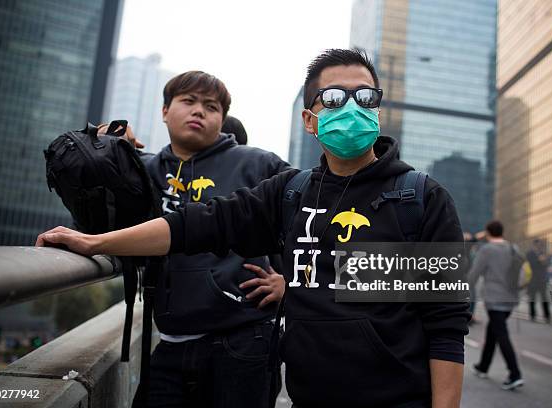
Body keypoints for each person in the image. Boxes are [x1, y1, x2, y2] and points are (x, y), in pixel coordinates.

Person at [38, 49, 470, 408]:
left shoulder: (419, 198)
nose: (352, 107)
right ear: (310, 119)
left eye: (365, 96)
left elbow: (445, 325)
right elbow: (194, 225)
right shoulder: (291, 193)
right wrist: (96, 241)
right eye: (335, 98)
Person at [102, 71, 290, 407]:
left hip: (244, 340)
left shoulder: (258, 164)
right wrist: (105, 145)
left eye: (211, 106)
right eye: (188, 101)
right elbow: (95, 216)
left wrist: (289, 283)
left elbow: (310, 222)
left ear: (222, 118)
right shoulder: (146, 171)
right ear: (164, 111)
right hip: (170, 342)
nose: (199, 111)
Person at [469, 220, 524, 390]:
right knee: (492, 332)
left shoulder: (486, 250)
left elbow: (473, 275)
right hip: (511, 299)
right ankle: (483, 367)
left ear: (488, 232)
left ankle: (515, 374)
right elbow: (521, 274)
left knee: (501, 335)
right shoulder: (513, 248)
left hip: (494, 299)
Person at [526, 238, 551, 323]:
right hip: (532, 280)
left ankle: (547, 316)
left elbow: (546, 264)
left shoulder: (542, 253)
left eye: (540, 244)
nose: (539, 246)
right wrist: (539, 260)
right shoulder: (529, 254)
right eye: (537, 244)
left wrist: (544, 261)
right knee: (532, 298)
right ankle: (532, 315)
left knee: (544, 298)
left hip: (542, 280)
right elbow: (530, 264)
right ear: (534, 245)